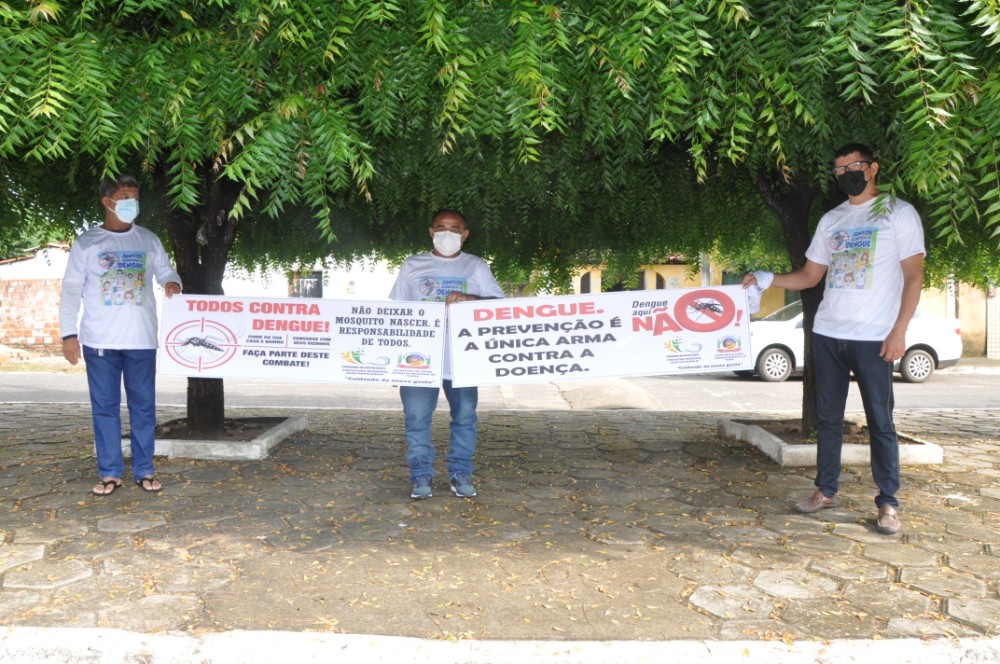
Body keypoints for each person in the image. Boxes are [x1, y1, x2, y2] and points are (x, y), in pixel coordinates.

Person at [743, 143, 925, 535]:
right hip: (827, 333)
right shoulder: (832, 219)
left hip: (875, 337)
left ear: (873, 168)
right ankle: (825, 491)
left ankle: (888, 502)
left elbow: (914, 276)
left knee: (881, 421)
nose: (846, 174)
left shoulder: (899, 213)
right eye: (839, 169)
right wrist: (767, 278)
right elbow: (810, 277)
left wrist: (900, 329)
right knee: (827, 420)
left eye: (854, 166)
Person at [60, 175, 182, 496]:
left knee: (144, 408)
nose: (133, 202)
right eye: (126, 195)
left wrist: (173, 283)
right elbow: (71, 290)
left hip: (142, 340)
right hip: (100, 341)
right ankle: (110, 471)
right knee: (105, 408)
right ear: (108, 201)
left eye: (135, 195)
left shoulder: (148, 239)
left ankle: (144, 469)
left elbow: (166, 270)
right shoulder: (87, 243)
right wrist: (68, 334)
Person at [389, 209, 505, 499]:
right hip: (418, 360)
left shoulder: (476, 266)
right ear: (431, 231)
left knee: (465, 417)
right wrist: (393, 361)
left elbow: (499, 306)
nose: (447, 234)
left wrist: (469, 299)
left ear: (465, 235)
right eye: (441, 227)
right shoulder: (412, 265)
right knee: (416, 418)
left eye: (455, 229)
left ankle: (460, 472)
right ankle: (420, 476)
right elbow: (395, 312)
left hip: (464, 360)